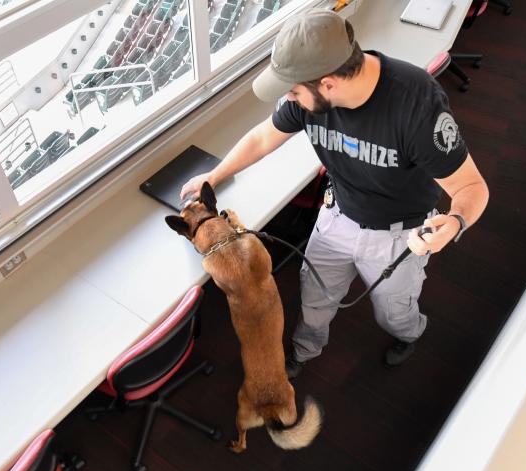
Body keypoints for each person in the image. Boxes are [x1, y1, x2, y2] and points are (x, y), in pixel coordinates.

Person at [181, 9, 489, 377]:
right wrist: (214, 176)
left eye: (294, 91)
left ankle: (409, 333)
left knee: (392, 311)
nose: (290, 100)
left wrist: (454, 223)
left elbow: (472, 187)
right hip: (337, 214)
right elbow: (264, 137)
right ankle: (304, 351)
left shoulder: (416, 106)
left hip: (397, 234)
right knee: (315, 296)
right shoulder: (306, 96)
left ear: (328, 84)